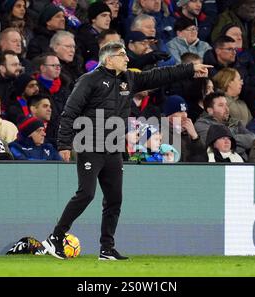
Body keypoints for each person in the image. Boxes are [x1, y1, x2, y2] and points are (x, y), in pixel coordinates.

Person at [42, 41, 211, 260]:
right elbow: (70, 111)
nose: (127, 59)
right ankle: (55, 237)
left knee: (114, 199)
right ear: (108, 59)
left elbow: (161, 75)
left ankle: (106, 248)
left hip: (113, 148)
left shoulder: (129, 79)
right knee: (86, 193)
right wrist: (64, 144)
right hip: (90, 146)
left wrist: (190, 69)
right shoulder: (89, 80)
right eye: (122, 55)